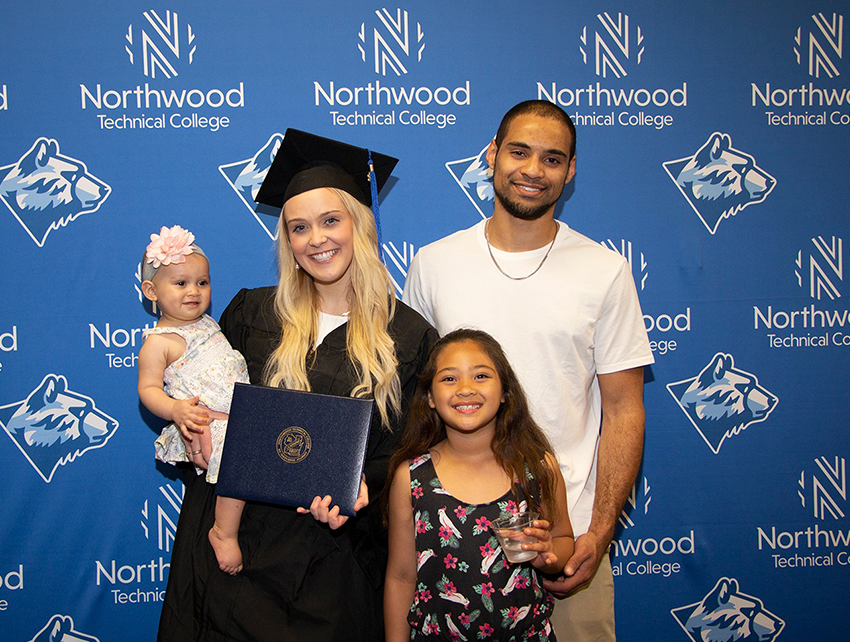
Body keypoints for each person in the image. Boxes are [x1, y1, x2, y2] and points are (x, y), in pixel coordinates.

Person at [156, 129, 437, 642]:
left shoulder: (409, 336)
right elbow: (202, 388)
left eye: (331, 220)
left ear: (360, 225)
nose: (317, 239)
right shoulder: (252, 312)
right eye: (299, 227)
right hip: (229, 555)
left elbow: (408, 451)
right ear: (287, 240)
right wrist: (191, 431)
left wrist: (363, 488)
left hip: (326, 563)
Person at [403, 100, 654, 640]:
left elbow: (624, 407)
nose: (534, 171)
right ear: (492, 156)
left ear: (570, 170)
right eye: (519, 152)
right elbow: (415, 396)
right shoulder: (433, 263)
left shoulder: (604, 270)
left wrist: (600, 531)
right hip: (451, 542)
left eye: (552, 159)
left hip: (569, 538)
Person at [384, 329, 574, 641]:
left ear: (505, 392)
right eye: (449, 379)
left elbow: (564, 538)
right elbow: (402, 577)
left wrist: (551, 555)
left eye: (481, 376)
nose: (465, 389)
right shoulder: (413, 478)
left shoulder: (539, 468)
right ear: (429, 397)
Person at [137, 224, 249, 575]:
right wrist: (176, 410)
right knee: (238, 466)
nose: (194, 292)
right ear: (151, 291)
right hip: (206, 422)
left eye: (202, 282)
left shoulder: (209, 324)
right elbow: (148, 390)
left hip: (238, 414)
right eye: (181, 283)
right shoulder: (159, 342)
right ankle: (223, 532)